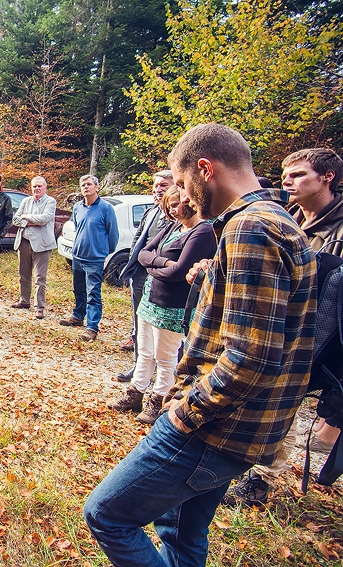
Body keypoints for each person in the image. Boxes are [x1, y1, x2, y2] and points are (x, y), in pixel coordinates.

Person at [83, 123, 316, 567]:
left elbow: (253, 354)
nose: (185, 197)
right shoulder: (271, 222)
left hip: (215, 425)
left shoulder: (252, 229)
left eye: (186, 183)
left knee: (107, 515)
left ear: (205, 168)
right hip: (243, 424)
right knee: (181, 531)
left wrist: (184, 411)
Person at [225, 147, 343, 506]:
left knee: (286, 408)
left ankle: (261, 481)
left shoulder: (339, 228)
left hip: (317, 339)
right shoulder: (288, 219)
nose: (287, 181)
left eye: (299, 175)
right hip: (275, 327)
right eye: (285, 175)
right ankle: (247, 465)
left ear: (328, 177)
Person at [107, 185, 216, 423]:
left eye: (175, 205)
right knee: (145, 351)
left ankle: (158, 401)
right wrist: (163, 264)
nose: (172, 211)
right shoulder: (173, 226)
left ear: (189, 202)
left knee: (165, 357)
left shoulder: (202, 232)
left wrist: (157, 265)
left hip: (172, 304)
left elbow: (179, 272)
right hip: (150, 298)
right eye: (168, 207)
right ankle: (135, 394)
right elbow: (143, 253)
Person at [115, 172, 173, 380]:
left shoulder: (176, 216)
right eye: (156, 185)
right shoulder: (150, 212)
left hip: (161, 277)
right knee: (139, 323)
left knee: (161, 329)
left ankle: (162, 373)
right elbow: (137, 240)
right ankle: (139, 368)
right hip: (139, 274)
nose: (158, 189)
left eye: (164, 185)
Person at [59, 174, 118, 341]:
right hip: (78, 255)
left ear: (96, 187)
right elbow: (78, 227)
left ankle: (92, 327)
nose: (86, 187)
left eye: (89, 184)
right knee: (78, 289)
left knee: (93, 293)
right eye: (83, 184)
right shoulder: (78, 207)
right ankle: (78, 316)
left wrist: (105, 251)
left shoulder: (106, 208)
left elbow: (113, 233)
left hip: (95, 258)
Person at [10, 176, 58, 319]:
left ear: (45, 187)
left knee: (39, 278)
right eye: (34, 186)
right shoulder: (26, 201)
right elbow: (15, 219)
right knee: (24, 275)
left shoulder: (51, 201)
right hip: (24, 242)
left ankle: (39, 307)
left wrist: (26, 217)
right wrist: (30, 222)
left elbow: (44, 219)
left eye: (39, 186)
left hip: (42, 245)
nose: (36, 189)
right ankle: (24, 301)